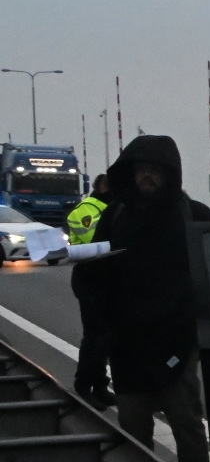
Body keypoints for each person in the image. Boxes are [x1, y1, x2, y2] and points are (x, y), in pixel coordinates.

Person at [94, 135, 210, 462]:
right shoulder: (115, 215)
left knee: (187, 422)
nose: (147, 177)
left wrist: (200, 323)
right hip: (128, 343)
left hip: (177, 339)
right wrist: (100, 330)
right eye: (141, 170)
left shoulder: (194, 216)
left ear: (169, 174)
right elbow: (94, 272)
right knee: (133, 426)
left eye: (154, 171)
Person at [67, 172, 113, 405]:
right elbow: (94, 243)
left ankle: (100, 386)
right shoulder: (88, 209)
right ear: (104, 187)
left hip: (106, 280)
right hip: (90, 279)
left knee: (105, 339)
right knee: (95, 337)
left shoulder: (109, 207)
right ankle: (84, 386)